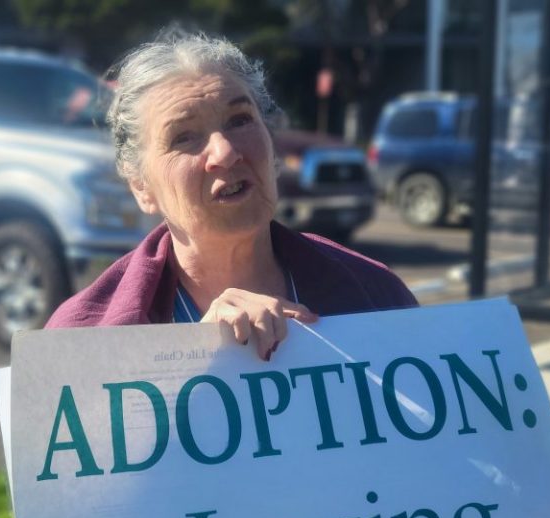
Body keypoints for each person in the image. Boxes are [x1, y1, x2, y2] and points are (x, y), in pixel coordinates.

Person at [46, 33, 417, 359]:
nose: (225, 152)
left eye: (240, 120)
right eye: (183, 137)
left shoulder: (377, 296)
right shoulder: (79, 341)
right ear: (142, 186)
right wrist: (192, 358)